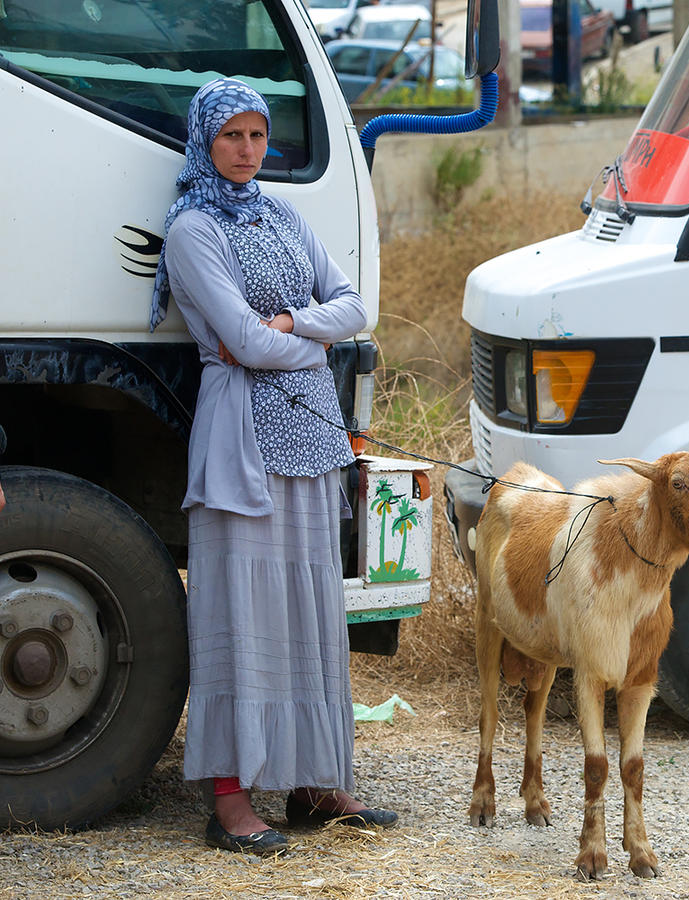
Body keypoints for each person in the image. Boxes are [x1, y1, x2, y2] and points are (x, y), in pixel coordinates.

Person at [150, 78, 397, 855]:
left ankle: (313, 784)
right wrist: (302, 343)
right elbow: (240, 346)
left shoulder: (282, 213)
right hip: (243, 445)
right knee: (243, 614)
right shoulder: (192, 230)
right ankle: (229, 798)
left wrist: (291, 323)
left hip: (310, 438)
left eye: (258, 136)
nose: (247, 151)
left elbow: (356, 306)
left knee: (308, 615)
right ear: (206, 141)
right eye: (232, 137)